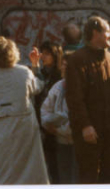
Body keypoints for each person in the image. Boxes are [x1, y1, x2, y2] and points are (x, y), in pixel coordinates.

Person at [0, 37, 49, 184]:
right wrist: (35, 65)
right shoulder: (24, 73)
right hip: (24, 129)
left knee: (1, 172)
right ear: (14, 53)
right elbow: (38, 86)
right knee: (29, 171)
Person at [64, 16, 110, 184]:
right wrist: (85, 125)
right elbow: (74, 97)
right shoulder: (77, 60)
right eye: (107, 31)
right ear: (95, 33)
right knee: (89, 177)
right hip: (89, 133)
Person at [39, 55, 77, 184]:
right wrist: (48, 125)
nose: (63, 68)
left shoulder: (81, 86)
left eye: (67, 65)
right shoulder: (57, 87)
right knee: (63, 177)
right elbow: (45, 110)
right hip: (60, 141)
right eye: (63, 65)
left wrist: (60, 130)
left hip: (76, 141)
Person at [34, 40, 63, 182]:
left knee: (56, 164)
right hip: (43, 123)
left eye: (47, 54)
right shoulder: (43, 74)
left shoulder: (59, 75)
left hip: (56, 123)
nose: (43, 57)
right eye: (42, 53)